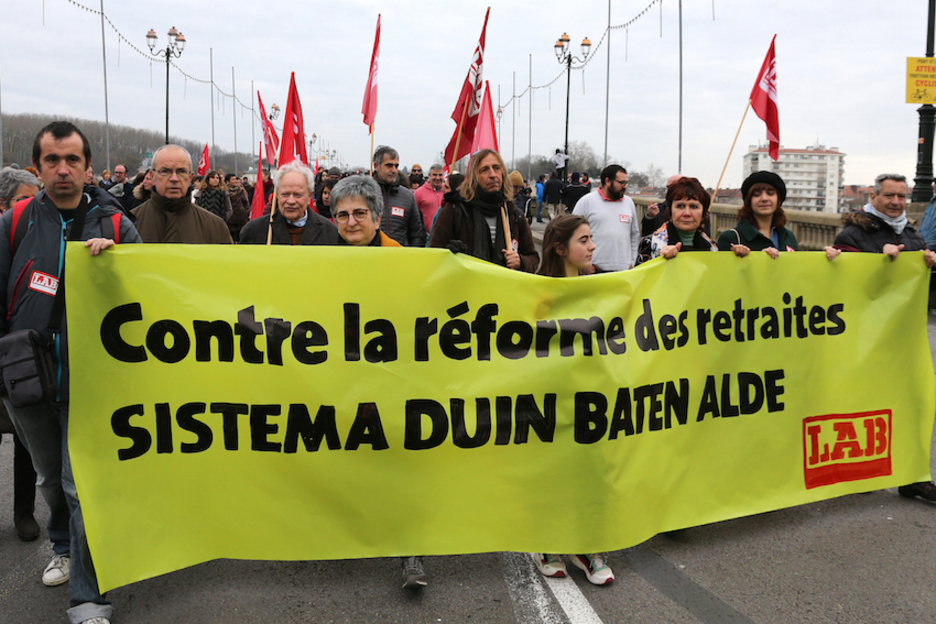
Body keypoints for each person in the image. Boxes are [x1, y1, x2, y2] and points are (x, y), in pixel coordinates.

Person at [0, 120, 141, 624]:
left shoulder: (119, 226)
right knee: (49, 479)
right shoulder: (14, 223)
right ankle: (62, 543)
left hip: (93, 381)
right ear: (37, 167)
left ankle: (88, 597)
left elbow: (147, 305)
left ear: (88, 167)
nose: (63, 170)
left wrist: (115, 268)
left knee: (80, 485)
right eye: (52, 161)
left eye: (73, 161)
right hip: (26, 379)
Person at [831, 173, 936, 502]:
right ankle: (862, 471)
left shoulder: (912, 234)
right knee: (865, 408)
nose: (896, 202)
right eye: (889, 195)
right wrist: (874, 262)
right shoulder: (853, 233)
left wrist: (929, 263)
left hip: (904, 340)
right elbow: (836, 283)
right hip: (864, 341)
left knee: (910, 404)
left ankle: (912, 476)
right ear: (873, 197)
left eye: (901, 197)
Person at [533, 213, 613, 585]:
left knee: (590, 469)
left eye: (591, 238)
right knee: (553, 470)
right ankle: (549, 542)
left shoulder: (600, 287)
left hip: (590, 395)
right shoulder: (534, 292)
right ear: (561, 248)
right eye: (584, 240)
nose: (592, 246)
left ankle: (588, 544)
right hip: (550, 397)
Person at [0, 167, 41, 542]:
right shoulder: (7, 234)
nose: (31, 207)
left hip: (21, 357)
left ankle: (24, 512)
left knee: (27, 441)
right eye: (22, 201)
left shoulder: (39, 237)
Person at [428, 149, 539, 272]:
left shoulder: (514, 214)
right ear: (474, 176)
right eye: (484, 170)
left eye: (496, 168)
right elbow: (434, 257)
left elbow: (533, 259)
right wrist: (451, 256)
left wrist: (521, 261)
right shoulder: (455, 211)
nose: (492, 174)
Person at [132, 145, 233, 244]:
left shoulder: (215, 226)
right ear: (152, 176)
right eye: (165, 171)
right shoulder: (129, 224)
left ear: (190, 177)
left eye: (181, 172)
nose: (174, 178)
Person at [239, 160, 339, 245]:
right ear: (277, 195)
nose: (291, 201)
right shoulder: (254, 231)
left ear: (309, 196)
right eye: (285, 194)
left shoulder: (330, 232)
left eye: (298, 195)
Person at [572, 164, 640, 272]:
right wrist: (584, 266)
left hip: (623, 272)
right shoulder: (586, 202)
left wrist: (631, 262)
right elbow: (572, 234)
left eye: (626, 183)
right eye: (621, 183)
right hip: (594, 271)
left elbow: (635, 235)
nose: (625, 186)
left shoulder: (629, 203)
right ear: (608, 181)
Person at [636, 177, 719, 264]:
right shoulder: (650, 244)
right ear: (670, 212)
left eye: (693, 206)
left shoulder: (712, 248)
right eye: (680, 206)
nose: (686, 213)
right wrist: (660, 261)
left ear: (703, 214)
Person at [372, 145, 427, 247]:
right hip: (371, 258)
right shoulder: (364, 194)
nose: (394, 170)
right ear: (376, 166)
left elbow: (416, 234)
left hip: (400, 259)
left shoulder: (408, 197)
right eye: (389, 165)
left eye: (396, 166)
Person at [332, 174, 398, 247]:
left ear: (377, 219)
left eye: (359, 214)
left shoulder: (399, 255)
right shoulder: (323, 253)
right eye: (343, 215)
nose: (351, 223)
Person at [413, 165, 445, 233]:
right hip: (426, 235)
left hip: (444, 235)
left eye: (440, 175)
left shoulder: (447, 191)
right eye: (435, 175)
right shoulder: (419, 193)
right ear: (429, 175)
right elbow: (413, 215)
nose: (437, 178)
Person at [225, 173, 250, 242]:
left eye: (236, 179)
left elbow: (246, 203)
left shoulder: (241, 191)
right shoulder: (224, 192)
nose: (235, 181)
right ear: (227, 181)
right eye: (233, 179)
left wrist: (245, 214)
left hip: (241, 220)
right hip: (230, 220)